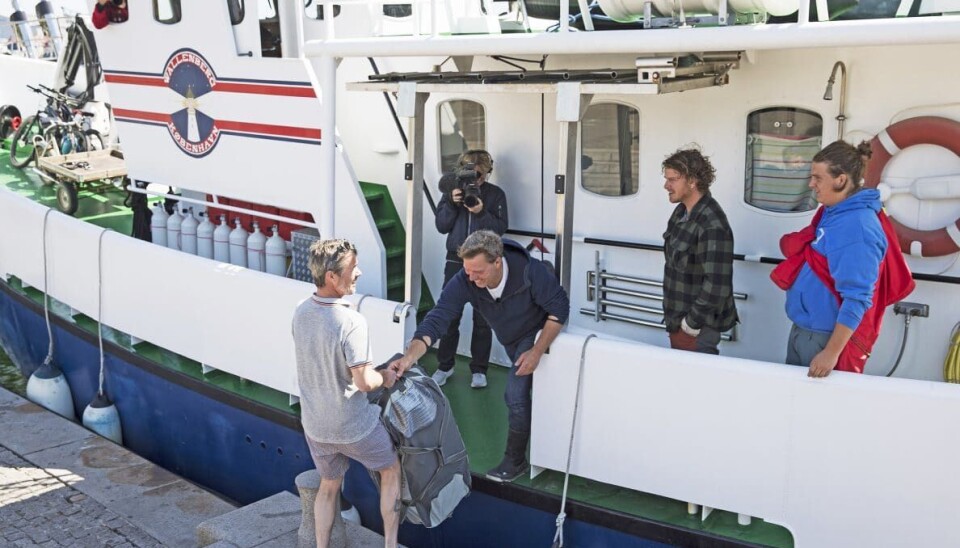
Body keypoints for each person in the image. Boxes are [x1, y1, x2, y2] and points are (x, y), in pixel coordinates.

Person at [389, 230, 569, 483]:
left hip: (534, 332)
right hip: (509, 337)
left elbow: (560, 308)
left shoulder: (531, 271)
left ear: (498, 261)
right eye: (468, 271)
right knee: (530, 396)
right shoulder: (466, 277)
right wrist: (410, 357)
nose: (472, 278)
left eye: (479, 272)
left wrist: (537, 350)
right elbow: (439, 317)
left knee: (515, 395)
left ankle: (515, 461)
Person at [771, 140, 914, 377]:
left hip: (822, 340)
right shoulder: (833, 212)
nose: (811, 184)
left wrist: (830, 353)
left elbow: (857, 298)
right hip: (805, 331)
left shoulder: (858, 227)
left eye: (818, 178)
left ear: (841, 180)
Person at [292, 239, 402, 548]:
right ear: (331, 276)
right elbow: (365, 382)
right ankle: (391, 544)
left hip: (315, 425)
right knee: (390, 469)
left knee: (329, 485)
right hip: (352, 425)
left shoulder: (301, 312)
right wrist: (386, 376)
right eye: (352, 268)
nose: (359, 273)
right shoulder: (352, 321)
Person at [432, 149, 509, 389]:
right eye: (470, 175)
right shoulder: (450, 193)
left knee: (483, 317)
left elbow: (500, 229)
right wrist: (453, 204)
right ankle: (445, 366)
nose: (475, 181)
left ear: (486, 174)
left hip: (484, 263)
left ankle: (479, 369)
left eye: (479, 175)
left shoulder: (496, 195)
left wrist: (480, 211)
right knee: (449, 315)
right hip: (455, 261)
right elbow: (441, 226)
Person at [661, 147, 739, 355]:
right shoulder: (680, 212)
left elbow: (717, 284)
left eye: (673, 179)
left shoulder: (712, 223)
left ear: (692, 181)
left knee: (697, 385)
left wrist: (690, 324)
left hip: (697, 329)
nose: (666, 185)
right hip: (677, 321)